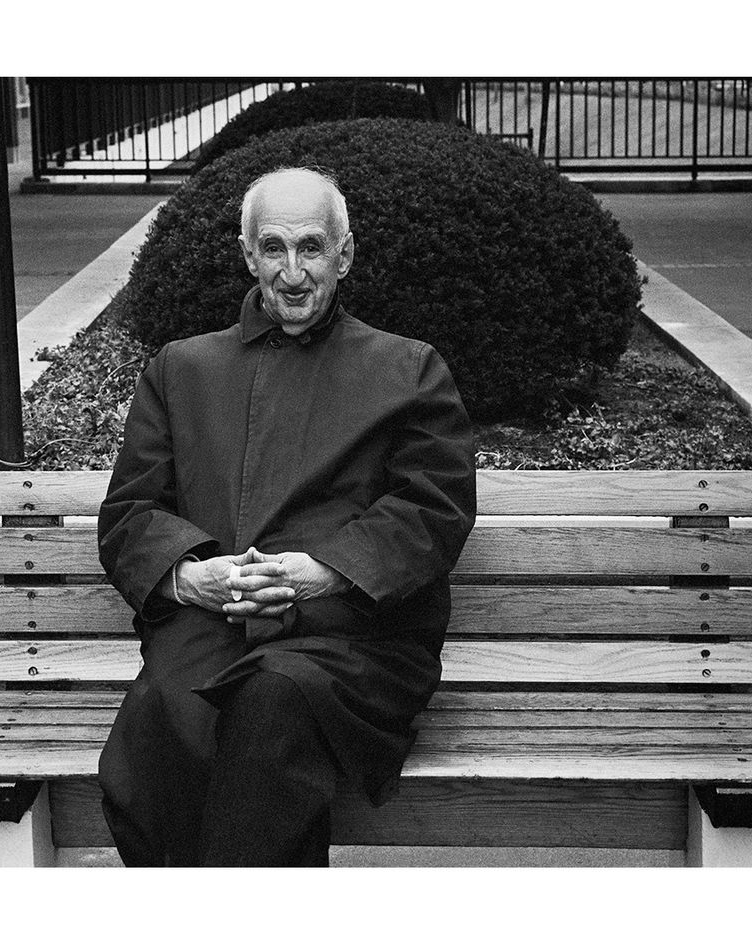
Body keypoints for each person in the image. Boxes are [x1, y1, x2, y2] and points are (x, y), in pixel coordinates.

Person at [96, 166, 477, 867]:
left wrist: (322, 572)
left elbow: (434, 507)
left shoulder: (409, 370)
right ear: (248, 256)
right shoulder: (181, 371)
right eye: (274, 248)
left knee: (270, 705)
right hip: (211, 626)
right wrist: (194, 577)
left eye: (312, 247)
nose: (293, 272)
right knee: (158, 729)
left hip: (354, 640)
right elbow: (129, 515)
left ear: (345, 254)